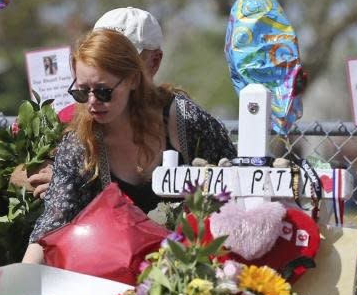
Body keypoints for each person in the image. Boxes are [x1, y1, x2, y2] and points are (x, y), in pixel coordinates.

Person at [22, 29, 235, 263]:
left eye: (104, 92)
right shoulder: (79, 142)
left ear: (133, 79)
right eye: (82, 92)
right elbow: (52, 225)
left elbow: (235, 186)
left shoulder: (184, 120)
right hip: (120, 269)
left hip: (197, 262)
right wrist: (23, 280)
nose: (92, 103)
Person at [12, 7, 165, 198]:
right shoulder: (70, 116)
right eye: (105, 54)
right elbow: (15, 173)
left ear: (155, 62)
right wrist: (60, 179)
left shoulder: (180, 117)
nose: (113, 65)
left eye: (125, 59)